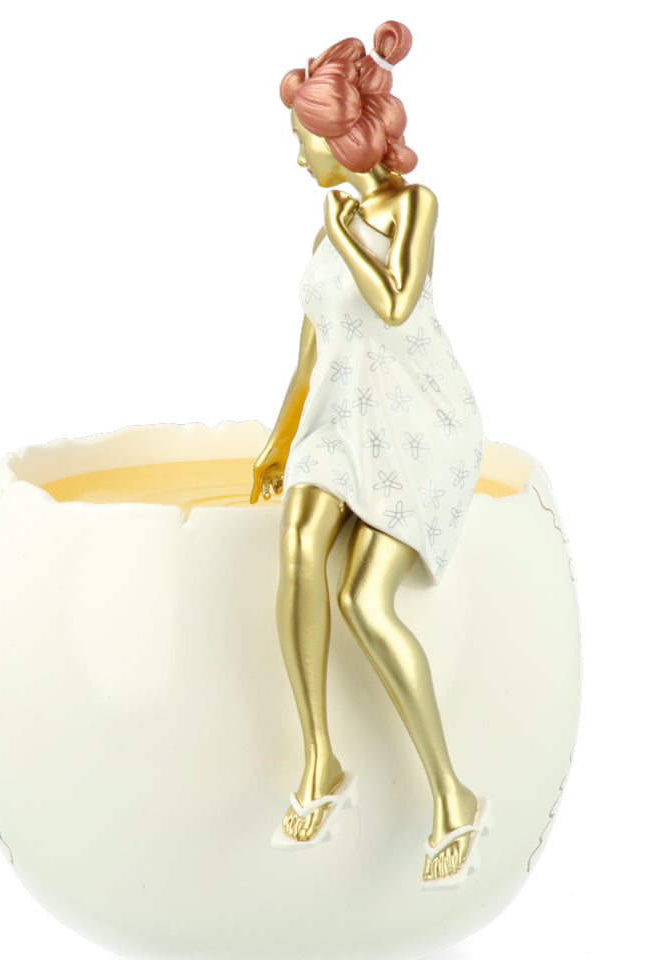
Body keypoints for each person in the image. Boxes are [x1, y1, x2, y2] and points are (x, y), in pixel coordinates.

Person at [251, 21, 488, 884]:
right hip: (339, 423)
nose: (298, 158)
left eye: (303, 141)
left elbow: (394, 304)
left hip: (418, 424)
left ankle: (452, 795)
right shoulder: (324, 233)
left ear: (338, 138)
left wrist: (348, 231)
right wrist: (278, 443)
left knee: (363, 599)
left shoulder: (412, 207)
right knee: (296, 539)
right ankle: (320, 760)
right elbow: (310, 355)